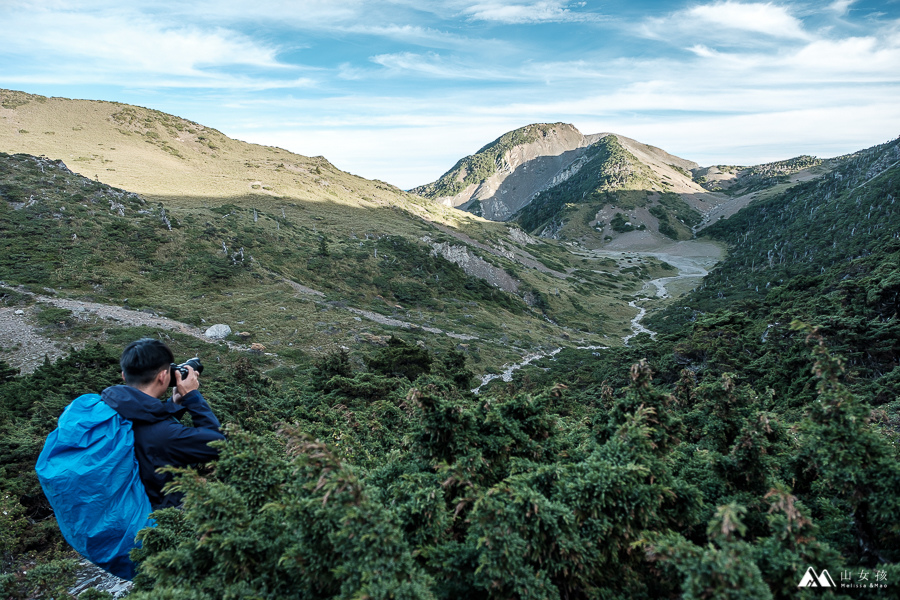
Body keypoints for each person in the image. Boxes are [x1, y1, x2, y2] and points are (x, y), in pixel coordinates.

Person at [101, 338, 225, 509]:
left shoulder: (108, 408)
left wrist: (174, 404)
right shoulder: (166, 434)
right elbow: (218, 444)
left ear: (124, 376)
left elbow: (145, 416)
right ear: (163, 376)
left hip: (125, 507)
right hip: (163, 520)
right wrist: (192, 396)